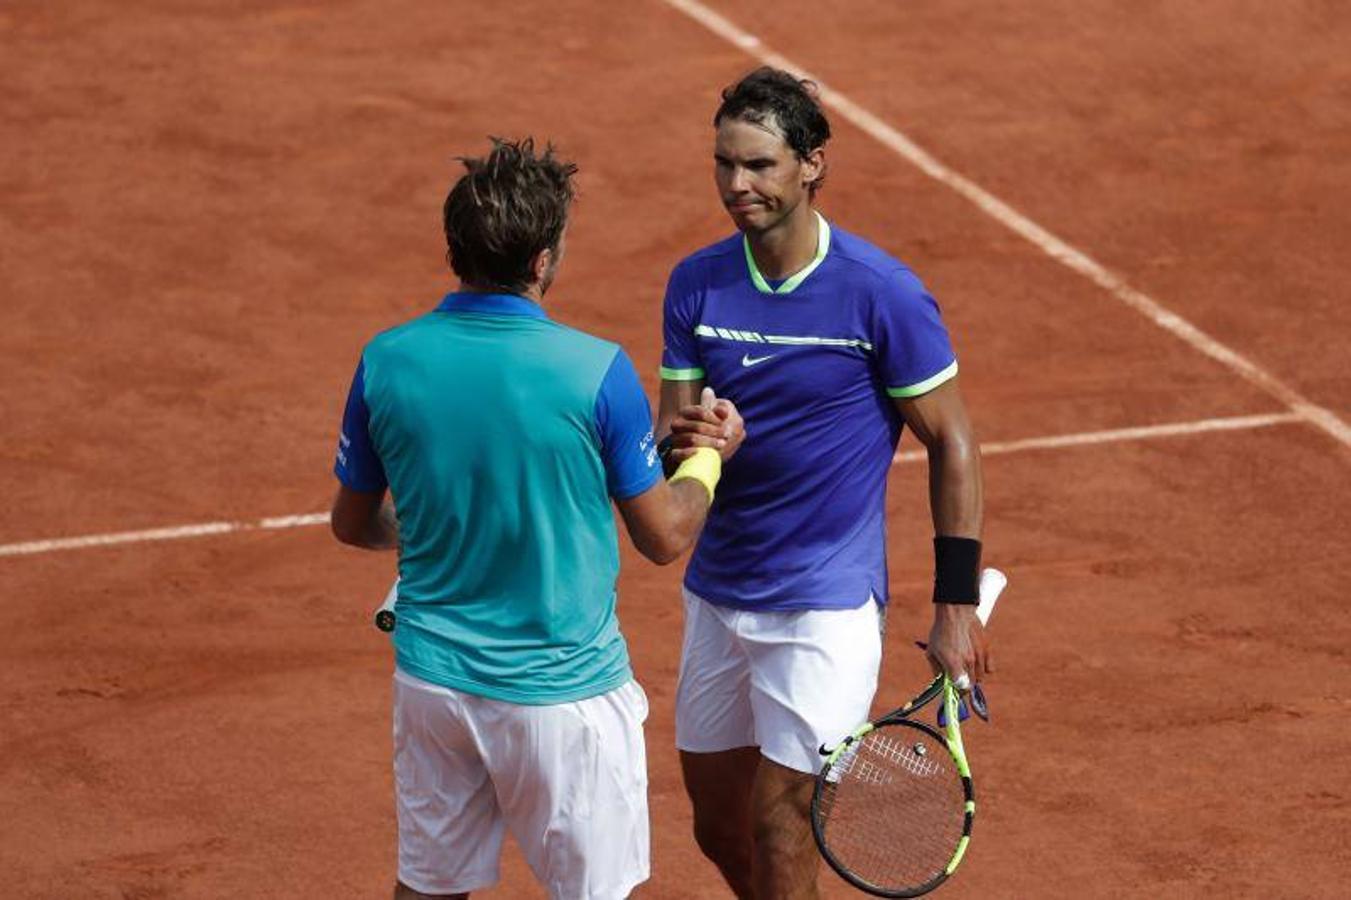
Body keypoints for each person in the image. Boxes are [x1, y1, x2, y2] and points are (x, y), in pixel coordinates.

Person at [330, 137, 744, 900]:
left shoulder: (385, 359)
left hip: (433, 686)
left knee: (428, 887)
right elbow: (664, 534)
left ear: (456, 248)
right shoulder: (595, 370)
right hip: (564, 699)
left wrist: (428, 533)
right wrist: (710, 455)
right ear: (543, 260)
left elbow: (353, 523)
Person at [657, 68, 990, 899]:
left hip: (823, 603)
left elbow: (951, 439)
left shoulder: (879, 294)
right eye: (725, 165)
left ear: (811, 165)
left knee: (783, 820)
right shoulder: (695, 283)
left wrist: (952, 607)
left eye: (760, 166)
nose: (738, 185)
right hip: (719, 591)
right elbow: (670, 439)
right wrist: (699, 446)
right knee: (719, 827)